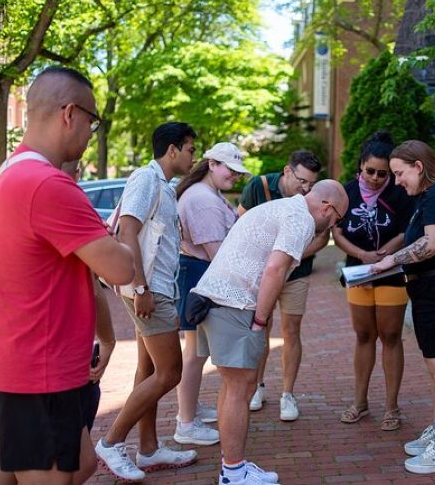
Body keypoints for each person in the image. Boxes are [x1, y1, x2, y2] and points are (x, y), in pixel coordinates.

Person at [0, 66, 135, 485]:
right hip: (37, 371)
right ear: (70, 114)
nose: (91, 131)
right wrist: (124, 232)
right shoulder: (48, 184)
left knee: (74, 463)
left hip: (18, 361)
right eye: (92, 120)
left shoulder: (11, 171)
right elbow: (121, 268)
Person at [191, 180, 348, 485]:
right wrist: (261, 321)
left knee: (234, 386)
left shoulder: (283, 207)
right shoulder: (300, 218)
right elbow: (275, 269)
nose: (333, 225)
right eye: (336, 219)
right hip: (233, 303)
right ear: (327, 208)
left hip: (215, 298)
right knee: (241, 388)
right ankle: (233, 474)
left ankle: (232, 466)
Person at [95, 122, 198, 481]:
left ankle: (149, 449)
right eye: (190, 149)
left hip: (156, 289)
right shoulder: (146, 179)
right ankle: (111, 442)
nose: (193, 156)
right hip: (149, 292)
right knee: (171, 372)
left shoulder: (165, 187)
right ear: (172, 150)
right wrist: (140, 289)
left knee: (150, 371)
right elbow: (127, 230)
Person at [372, 140, 435, 474]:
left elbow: (434, 242)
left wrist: (390, 261)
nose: (397, 181)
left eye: (400, 174)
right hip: (431, 293)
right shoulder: (430, 196)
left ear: (419, 166)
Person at [237, 150, 328, 421]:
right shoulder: (259, 187)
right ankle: (257, 386)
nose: (306, 189)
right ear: (287, 171)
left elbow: (322, 238)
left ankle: (288, 394)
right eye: (302, 181)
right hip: (262, 272)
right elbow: (241, 224)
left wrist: (292, 256)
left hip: (297, 273)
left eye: (311, 183)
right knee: (260, 327)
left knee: (291, 329)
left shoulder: (315, 197)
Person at [332, 131, 412, 432]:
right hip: (359, 272)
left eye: (383, 173)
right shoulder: (346, 191)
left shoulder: (400, 192)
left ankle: (392, 407)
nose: (377, 178)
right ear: (360, 166)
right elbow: (336, 230)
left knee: (391, 335)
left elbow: (408, 229)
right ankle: (360, 403)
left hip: (391, 271)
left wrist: (385, 253)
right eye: (371, 171)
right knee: (364, 335)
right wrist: (361, 255)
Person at [173, 142, 250, 446]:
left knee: (196, 352)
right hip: (201, 273)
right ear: (213, 164)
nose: (235, 176)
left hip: (200, 271)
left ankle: (189, 411)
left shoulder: (205, 194)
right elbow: (217, 252)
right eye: (230, 170)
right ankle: (186, 422)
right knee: (195, 353)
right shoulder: (202, 200)